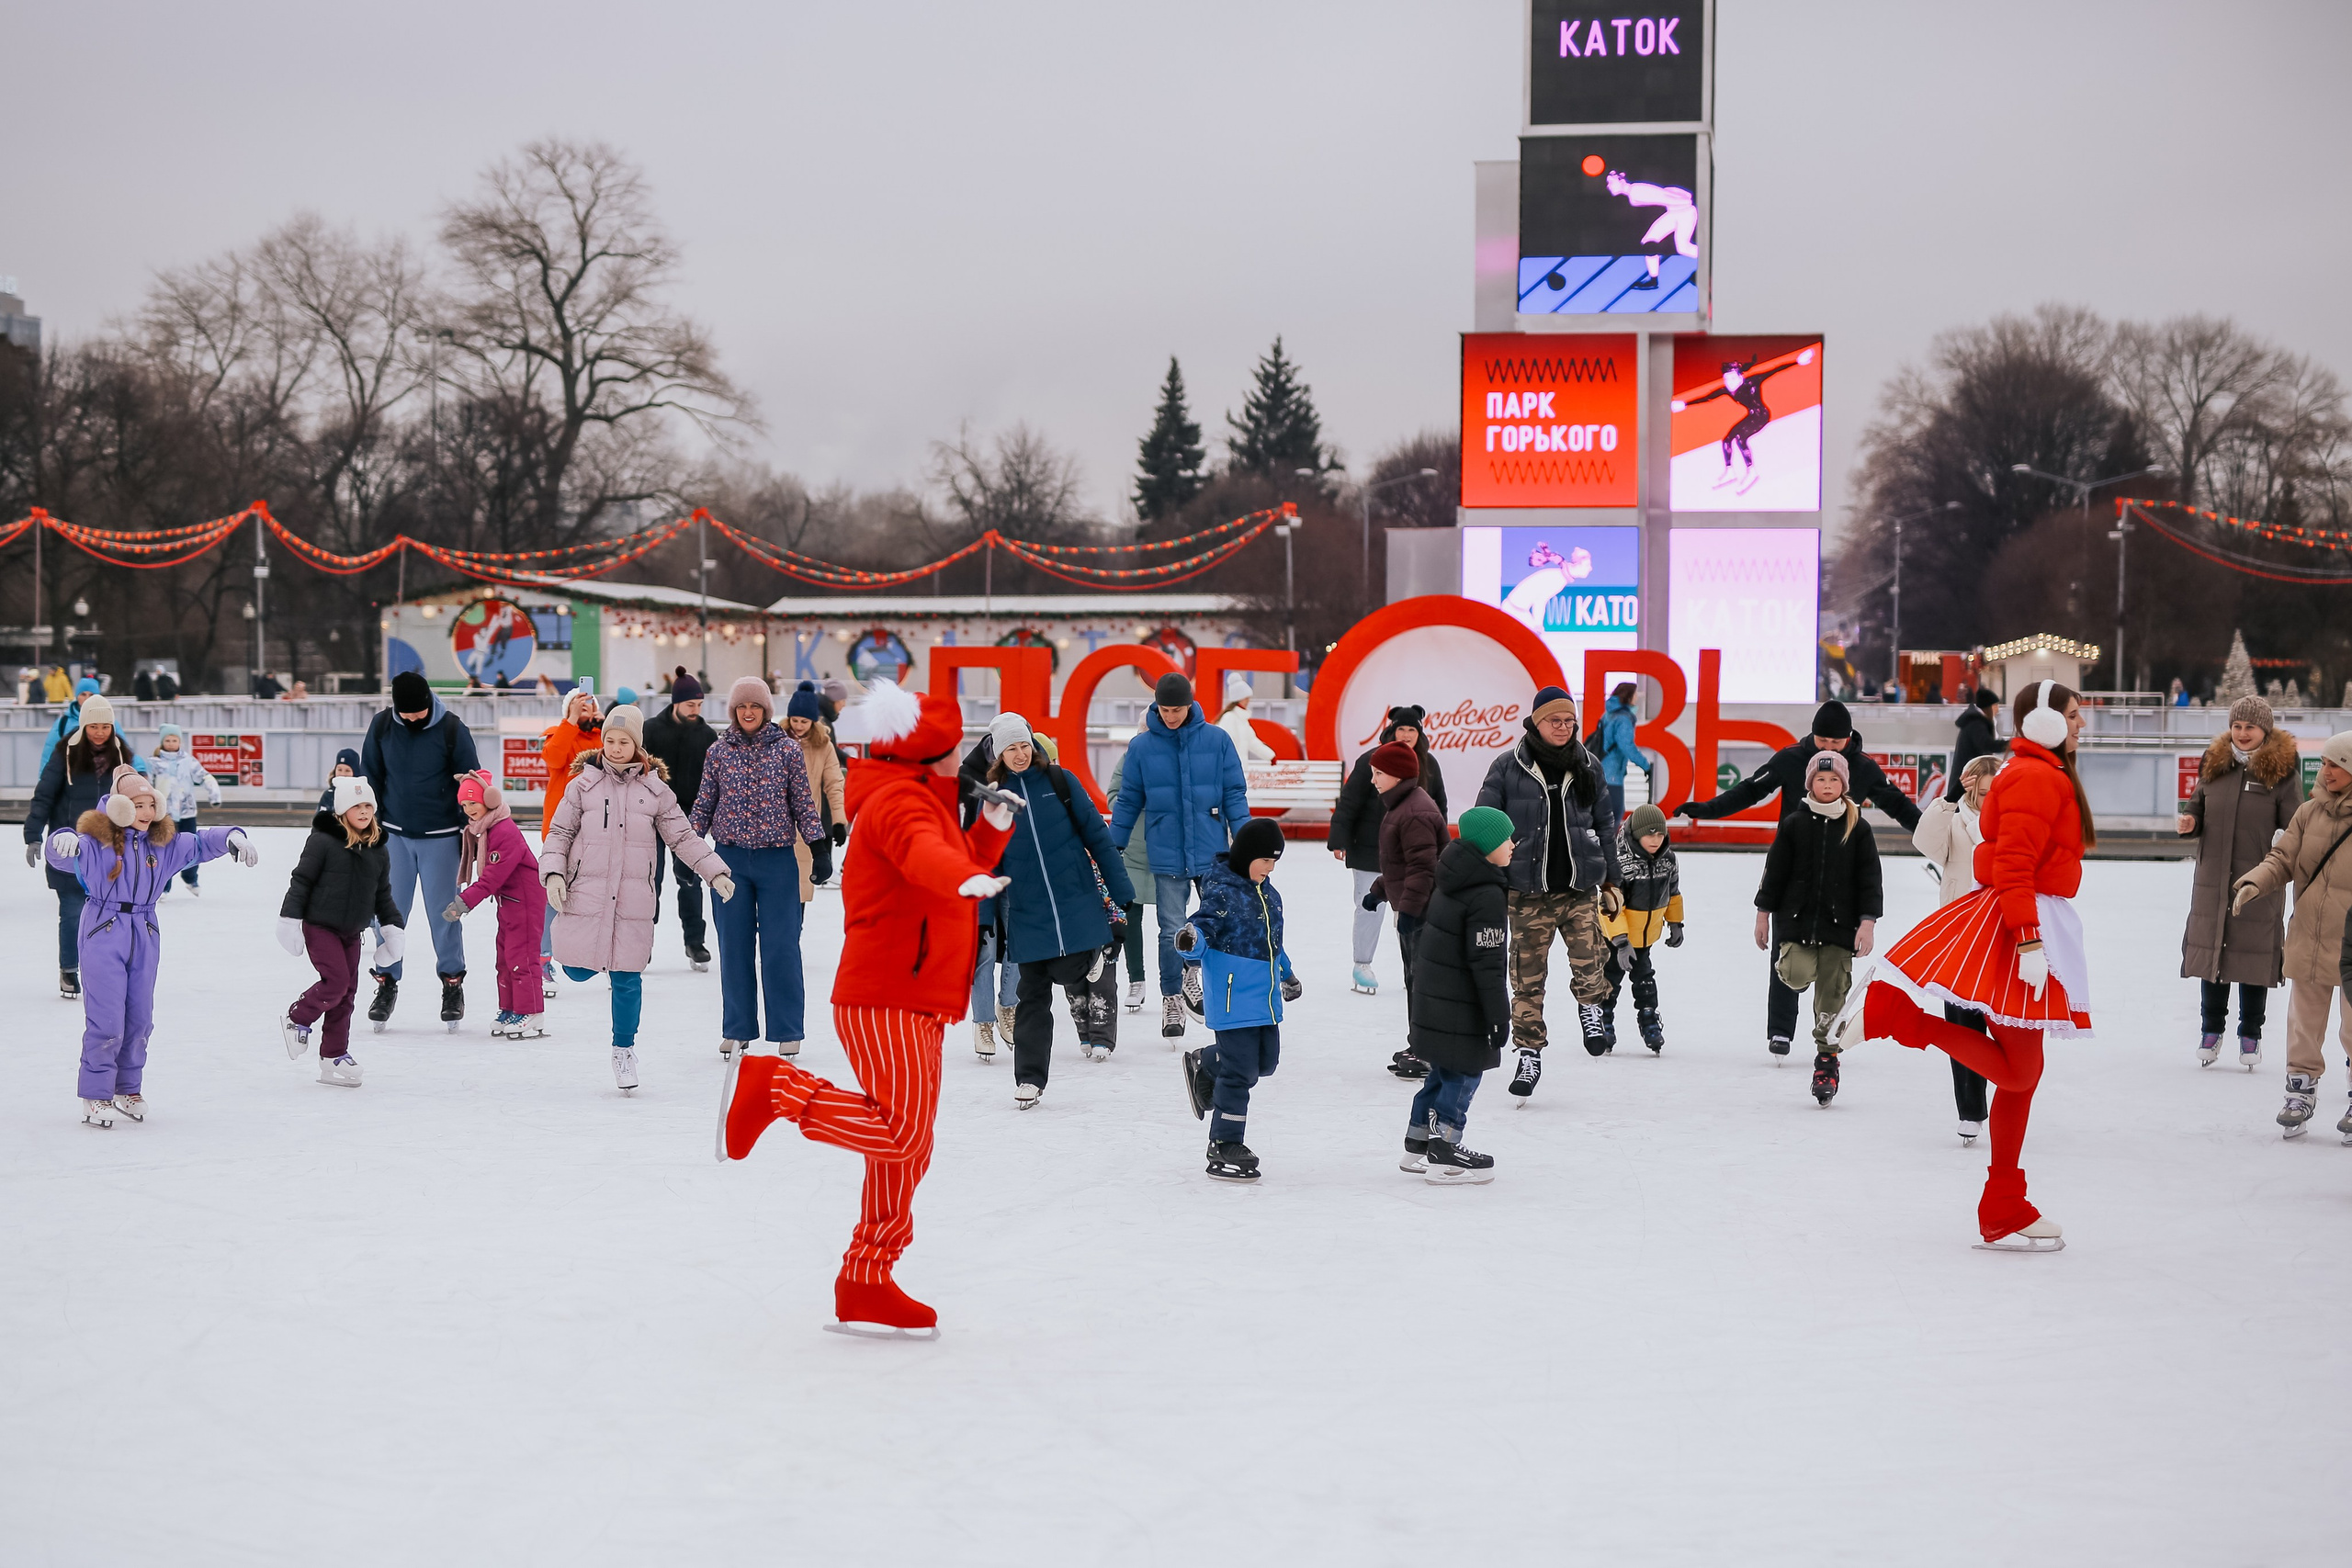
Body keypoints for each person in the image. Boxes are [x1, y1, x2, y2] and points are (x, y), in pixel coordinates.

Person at [716, 677, 1016, 1336]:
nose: (958, 758)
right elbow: (925, 854)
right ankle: (774, 1087)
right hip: (886, 992)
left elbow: (946, 854)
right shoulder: (898, 804)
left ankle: (866, 1276)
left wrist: (986, 844)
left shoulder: (919, 796)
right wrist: (962, 872)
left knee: (909, 1148)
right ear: (926, 755)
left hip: (916, 993)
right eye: (950, 749)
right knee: (901, 1131)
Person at [1848, 681, 2095, 1252]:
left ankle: (2004, 1200)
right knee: (2019, 1074)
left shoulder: (2033, 772)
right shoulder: (2037, 776)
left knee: (2020, 1077)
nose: (2082, 724)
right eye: (2075, 716)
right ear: (2047, 723)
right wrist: (2030, 940)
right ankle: (1900, 1019)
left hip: (2027, 920)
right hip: (2019, 926)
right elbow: (2011, 862)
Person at [1676, 699, 1921, 1059]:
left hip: (1842, 881)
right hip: (1793, 873)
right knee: (1786, 951)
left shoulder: (1864, 769)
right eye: (1821, 740)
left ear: (1849, 739)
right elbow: (1750, 790)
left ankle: (1828, 1033)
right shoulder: (1791, 758)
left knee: (1834, 960)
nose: (1827, 749)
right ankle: (1780, 1031)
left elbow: (1899, 806)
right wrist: (1706, 810)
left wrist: (1938, 835)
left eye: (1836, 744)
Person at [44, 765, 257, 1127]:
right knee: (107, 1019)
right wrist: (59, 840)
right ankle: (95, 1096)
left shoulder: (164, 841)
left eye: (149, 805)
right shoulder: (95, 840)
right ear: (119, 807)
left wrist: (232, 836)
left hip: (144, 930)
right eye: (136, 805)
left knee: (139, 1019)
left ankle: (127, 1088)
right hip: (103, 928)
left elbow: (202, 842)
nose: (145, 813)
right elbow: (64, 852)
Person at [544, 704, 735, 1092]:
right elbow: (560, 833)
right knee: (576, 970)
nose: (615, 748)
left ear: (637, 745)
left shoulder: (656, 791)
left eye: (624, 742)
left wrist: (713, 870)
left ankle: (624, 1049)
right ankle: (591, 962)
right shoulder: (582, 785)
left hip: (633, 899)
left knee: (628, 978)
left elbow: (682, 837)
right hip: (588, 893)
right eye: (610, 741)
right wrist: (552, 873)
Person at [1474, 684, 1621, 1101]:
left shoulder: (1588, 764)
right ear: (1536, 723)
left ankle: (1592, 1011)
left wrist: (1611, 880)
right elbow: (1486, 825)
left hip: (1578, 888)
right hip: (1526, 892)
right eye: (1554, 720)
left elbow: (1606, 824)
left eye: (1569, 720)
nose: (1562, 727)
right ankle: (1529, 1053)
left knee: (1592, 959)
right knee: (1526, 979)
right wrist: (1489, 879)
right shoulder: (1507, 766)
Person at [985, 713, 1136, 1105]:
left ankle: (1093, 954)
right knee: (1031, 994)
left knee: (1070, 969)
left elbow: (1097, 836)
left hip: (1075, 896)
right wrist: (982, 916)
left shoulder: (1060, 781)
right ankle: (1030, 1078)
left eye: (1024, 745)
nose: (1019, 754)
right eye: (1010, 748)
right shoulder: (993, 797)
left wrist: (1121, 890)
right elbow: (985, 861)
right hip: (1027, 909)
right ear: (999, 753)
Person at [1110, 671, 1251, 1043]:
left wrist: (1245, 839)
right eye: (1165, 709)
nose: (1171, 716)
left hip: (1210, 851)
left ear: (1191, 705)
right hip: (1165, 850)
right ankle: (1173, 996)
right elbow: (1128, 800)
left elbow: (1234, 793)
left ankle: (1198, 979)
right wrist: (1114, 846)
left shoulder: (1217, 740)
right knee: (1171, 928)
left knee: (1214, 925)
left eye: (1177, 709)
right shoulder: (1141, 748)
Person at [691, 677, 826, 1062]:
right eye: (741, 707)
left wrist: (818, 847)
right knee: (734, 947)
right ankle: (737, 1029)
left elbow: (803, 802)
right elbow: (704, 804)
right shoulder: (718, 752)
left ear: (766, 711)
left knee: (781, 947)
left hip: (777, 861)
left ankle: (787, 1029)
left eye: (755, 707)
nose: (748, 713)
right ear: (734, 711)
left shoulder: (787, 750)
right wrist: (690, 851)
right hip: (729, 862)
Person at [2230, 731, 2352, 1137]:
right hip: (2309, 937)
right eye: (2326, 762)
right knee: (2303, 1025)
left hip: (2350, 944)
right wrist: (2253, 882)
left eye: (2337, 764)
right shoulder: (2308, 813)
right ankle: (2299, 1092)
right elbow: (2281, 859)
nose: (2326, 770)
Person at [1753, 752, 1883, 1106]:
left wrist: (1867, 923)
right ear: (1811, 783)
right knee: (1793, 973)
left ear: (1844, 785)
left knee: (1832, 999)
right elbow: (1775, 872)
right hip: (1797, 925)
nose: (1827, 786)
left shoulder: (1858, 828)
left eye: (1834, 781)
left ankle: (1827, 1061)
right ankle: (1803, 984)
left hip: (1840, 930)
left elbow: (1870, 880)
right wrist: (1763, 915)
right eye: (1821, 780)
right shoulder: (1795, 823)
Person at [1174, 818, 1300, 1183]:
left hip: (1264, 999)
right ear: (1246, 856)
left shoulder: (1268, 894)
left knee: (1266, 1062)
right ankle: (1225, 1142)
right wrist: (1190, 940)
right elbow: (1202, 926)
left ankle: (1207, 1061)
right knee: (1240, 1073)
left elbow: (1272, 945)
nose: (1270, 868)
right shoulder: (1223, 892)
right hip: (1232, 999)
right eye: (1264, 861)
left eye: (1275, 862)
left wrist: (1287, 974)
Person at [2179, 695, 2301, 1069]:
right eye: (2237, 726)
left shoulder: (2281, 774)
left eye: (2250, 727)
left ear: (2265, 729)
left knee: (2253, 957)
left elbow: (2296, 825)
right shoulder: (2215, 766)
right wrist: (2190, 822)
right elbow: (2197, 806)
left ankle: (2251, 1034)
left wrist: (2282, 841)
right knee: (2213, 954)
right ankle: (2210, 1031)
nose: (2243, 733)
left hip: (2258, 882)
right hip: (2213, 881)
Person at [359, 671, 480, 1032]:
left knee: (445, 916)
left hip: (441, 839)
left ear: (429, 702)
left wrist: (469, 830)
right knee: (388, 915)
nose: (412, 718)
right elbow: (372, 778)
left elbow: (471, 783)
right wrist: (369, 827)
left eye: (418, 712)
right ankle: (386, 982)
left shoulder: (452, 730)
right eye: (406, 713)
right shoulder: (382, 726)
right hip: (394, 836)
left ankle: (452, 984)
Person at [1400, 807, 1516, 1183]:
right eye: (1505, 839)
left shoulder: (1453, 878)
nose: (1512, 845)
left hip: (1436, 998)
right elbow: (1487, 964)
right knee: (1465, 1073)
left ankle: (1418, 1141)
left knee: (1443, 1070)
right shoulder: (1485, 893)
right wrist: (1499, 1016)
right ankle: (1445, 1149)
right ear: (1486, 846)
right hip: (1463, 1005)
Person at [277, 776, 406, 1088]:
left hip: (352, 931)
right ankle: (298, 1017)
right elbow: (302, 881)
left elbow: (383, 895)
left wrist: (393, 929)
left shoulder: (378, 848)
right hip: (319, 925)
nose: (363, 812)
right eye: (355, 806)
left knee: (347, 995)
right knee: (335, 983)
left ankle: (334, 1055)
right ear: (341, 810)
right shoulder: (322, 841)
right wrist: (289, 919)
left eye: (367, 806)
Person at [1327, 705, 1447, 995]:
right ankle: (1362, 963)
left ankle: (1415, 968)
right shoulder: (1372, 760)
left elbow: (1439, 808)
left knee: (1413, 908)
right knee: (1370, 906)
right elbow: (1350, 801)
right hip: (1370, 848)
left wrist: (1441, 847)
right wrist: (1339, 838)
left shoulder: (1428, 764)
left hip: (1412, 852)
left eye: (1412, 730)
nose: (1406, 735)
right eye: (1401, 729)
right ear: (1391, 731)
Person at [1914, 753, 2003, 1142]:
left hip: (2002, 934)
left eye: (1991, 792)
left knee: (2000, 1027)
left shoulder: (2012, 823)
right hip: (1959, 936)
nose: (1984, 800)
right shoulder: (1953, 821)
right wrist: (1950, 797)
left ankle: (2007, 1099)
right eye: (1978, 792)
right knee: (1962, 1024)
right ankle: (1969, 1109)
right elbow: (1924, 842)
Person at [24, 694, 136, 998]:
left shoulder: (122, 757)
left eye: (105, 726)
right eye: (93, 726)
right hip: (69, 849)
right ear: (84, 725)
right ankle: (69, 970)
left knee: (113, 916)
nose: (100, 732)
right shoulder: (65, 755)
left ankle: (106, 971)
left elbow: (139, 799)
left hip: (112, 851)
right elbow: (44, 795)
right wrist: (33, 834)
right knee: (72, 912)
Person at [1359, 739, 1443, 1079]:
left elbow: (1425, 868)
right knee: (1415, 980)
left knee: (1424, 981)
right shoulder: (1403, 805)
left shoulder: (1415, 812)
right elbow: (1401, 864)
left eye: (1378, 773)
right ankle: (1420, 1043)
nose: (1373, 780)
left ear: (1397, 775)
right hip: (1415, 907)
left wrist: (1408, 911)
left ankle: (1430, 1050)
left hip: (1424, 912)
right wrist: (1379, 891)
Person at [446, 770, 548, 1041]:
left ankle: (531, 1011)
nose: (469, 810)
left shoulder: (504, 831)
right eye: (465, 805)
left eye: (473, 803)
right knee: (504, 958)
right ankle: (511, 1008)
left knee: (522, 957)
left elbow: (492, 878)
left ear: (489, 801)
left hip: (525, 902)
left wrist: (462, 903)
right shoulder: (487, 829)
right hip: (509, 902)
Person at [642, 672, 718, 969]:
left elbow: (713, 781)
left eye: (699, 704)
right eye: (690, 704)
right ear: (675, 703)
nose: (695, 710)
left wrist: (705, 814)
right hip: (650, 818)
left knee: (689, 880)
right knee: (650, 882)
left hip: (689, 819)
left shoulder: (707, 735)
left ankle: (695, 942)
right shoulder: (651, 730)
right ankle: (642, 943)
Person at [1600, 803, 1684, 1055]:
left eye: (1660, 834)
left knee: (1645, 980)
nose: (1656, 840)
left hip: (1646, 938)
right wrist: (1622, 941)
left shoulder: (1668, 860)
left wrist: (1676, 922)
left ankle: (1649, 1020)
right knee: (1611, 980)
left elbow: (1673, 892)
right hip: (1616, 940)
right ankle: (1603, 1019)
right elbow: (1610, 906)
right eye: (1649, 834)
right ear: (1636, 833)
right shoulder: (1619, 862)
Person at [139, 723, 221, 895]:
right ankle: (163, 887)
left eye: (174, 740)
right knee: (163, 849)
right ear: (162, 742)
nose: (171, 743)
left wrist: (214, 795)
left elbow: (204, 776)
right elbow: (146, 784)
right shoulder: (154, 762)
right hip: (164, 813)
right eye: (167, 740)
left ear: (180, 742)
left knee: (191, 845)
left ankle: (191, 878)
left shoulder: (188, 761)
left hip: (187, 812)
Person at [783, 681, 849, 886]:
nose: (799, 726)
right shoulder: (776, 741)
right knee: (778, 890)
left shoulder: (823, 746)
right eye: (795, 720)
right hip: (775, 826)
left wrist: (839, 821)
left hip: (807, 827)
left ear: (813, 721)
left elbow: (834, 784)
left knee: (801, 888)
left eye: (804, 721)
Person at [1106, 752, 1153, 1015]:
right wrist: (1139, 803)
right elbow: (1113, 796)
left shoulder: (1177, 756)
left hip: (1168, 849)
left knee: (1172, 922)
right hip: (1132, 849)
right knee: (1130, 916)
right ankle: (1137, 981)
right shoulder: (1129, 758)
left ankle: (1176, 986)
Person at [1593, 681, 1653, 821]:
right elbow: (1626, 746)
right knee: (1614, 814)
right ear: (1628, 697)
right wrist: (1645, 765)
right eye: (1635, 694)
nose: (1637, 697)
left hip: (1600, 770)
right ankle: (1607, 844)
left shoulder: (1607, 715)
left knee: (1603, 817)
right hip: (1611, 774)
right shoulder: (1623, 719)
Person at [1946, 687, 2002, 802]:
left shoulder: (1978, 721)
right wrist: (2011, 744)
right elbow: (1987, 745)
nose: (1998, 710)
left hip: (1971, 777)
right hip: (1969, 778)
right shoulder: (1976, 724)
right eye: (1996, 706)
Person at [40, 676, 103, 773]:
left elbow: (124, 751)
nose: (87, 699)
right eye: (83, 694)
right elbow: (49, 752)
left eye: (91, 695)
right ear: (77, 697)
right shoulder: (63, 722)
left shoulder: (108, 721)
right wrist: (43, 780)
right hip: (71, 778)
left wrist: (135, 771)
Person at [1216, 674, 1275, 764]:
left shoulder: (1242, 720)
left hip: (1240, 768)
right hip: (1230, 768)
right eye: (1246, 698)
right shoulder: (1229, 718)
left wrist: (1270, 756)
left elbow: (1252, 742)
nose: (1248, 701)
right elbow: (1224, 744)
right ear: (1238, 699)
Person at [318, 748, 362, 814]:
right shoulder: (329, 795)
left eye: (347, 771)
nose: (342, 774)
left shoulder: (361, 794)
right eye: (339, 770)